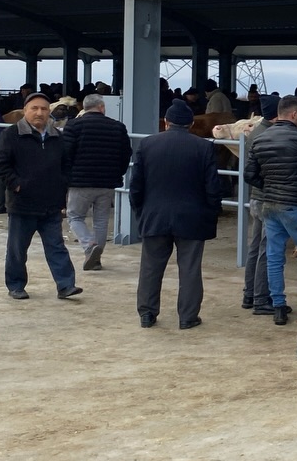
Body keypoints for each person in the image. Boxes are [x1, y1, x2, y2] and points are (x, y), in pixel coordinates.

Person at [128, 99, 222, 329]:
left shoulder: (148, 145)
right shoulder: (204, 147)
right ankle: (188, 317)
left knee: (151, 268)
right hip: (192, 217)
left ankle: (147, 314)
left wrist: (140, 211)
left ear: (166, 122)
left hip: (154, 215)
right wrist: (211, 213)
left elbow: (136, 186)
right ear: (191, 123)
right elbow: (213, 188)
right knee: (190, 269)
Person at [245, 94, 297, 326]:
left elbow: (249, 175)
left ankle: (278, 306)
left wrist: (270, 186)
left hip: (270, 206)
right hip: (296, 205)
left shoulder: (261, 138)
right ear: (293, 114)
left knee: (274, 256)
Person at [0, 92, 81, 302]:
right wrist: (17, 185)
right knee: (17, 249)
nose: (39, 113)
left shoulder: (57, 137)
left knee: (56, 247)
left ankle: (66, 285)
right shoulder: (12, 135)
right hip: (22, 204)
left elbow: (66, 165)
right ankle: (16, 285)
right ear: (25, 111)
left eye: (44, 109)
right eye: (34, 108)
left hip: (50, 204)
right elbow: (1, 165)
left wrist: (62, 187)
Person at [61, 92, 133, 272]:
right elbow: (126, 154)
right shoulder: (118, 127)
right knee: (101, 220)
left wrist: (67, 176)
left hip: (80, 182)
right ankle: (96, 258)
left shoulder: (73, 126)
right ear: (102, 107)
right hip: (107, 182)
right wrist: (119, 172)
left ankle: (89, 245)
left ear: (84, 108)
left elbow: (65, 154)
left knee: (75, 216)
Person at [241, 95, 279, 315]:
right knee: (267, 247)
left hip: (256, 196)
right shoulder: (269, 135)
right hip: (267, 197)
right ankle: (261, 299)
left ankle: (249, 293)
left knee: (255, 246)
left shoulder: (255, 132)